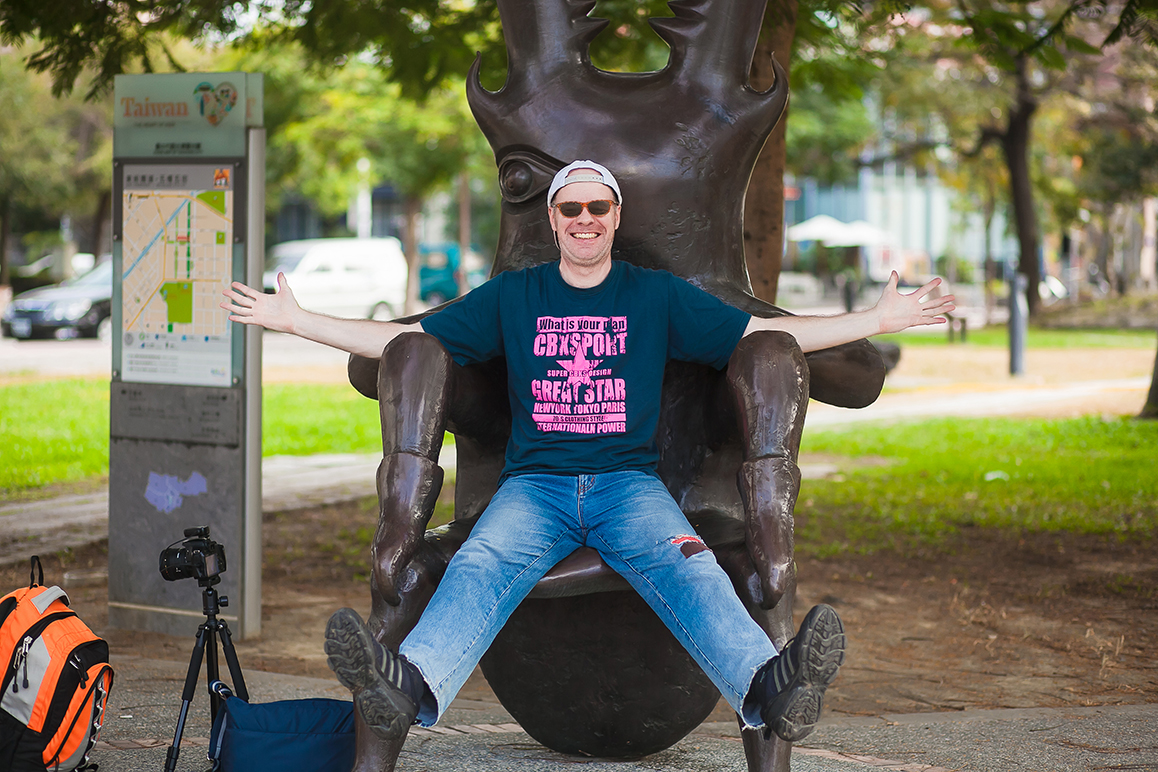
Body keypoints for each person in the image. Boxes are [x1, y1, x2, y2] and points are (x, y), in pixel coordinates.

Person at [222, 160, 955, 744]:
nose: (583, 220)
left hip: (626, 486)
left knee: (692, 567)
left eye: (596, 208)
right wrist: (299, 321)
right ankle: (404, 692)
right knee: (477, 566)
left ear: (614, 217)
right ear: (552, 219)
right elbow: (406, 342)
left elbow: (762, 338)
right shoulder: (515, 295)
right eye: (569, 208)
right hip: (534, 487)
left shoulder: (655, 296)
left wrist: (880, 316)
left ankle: (771, 691)